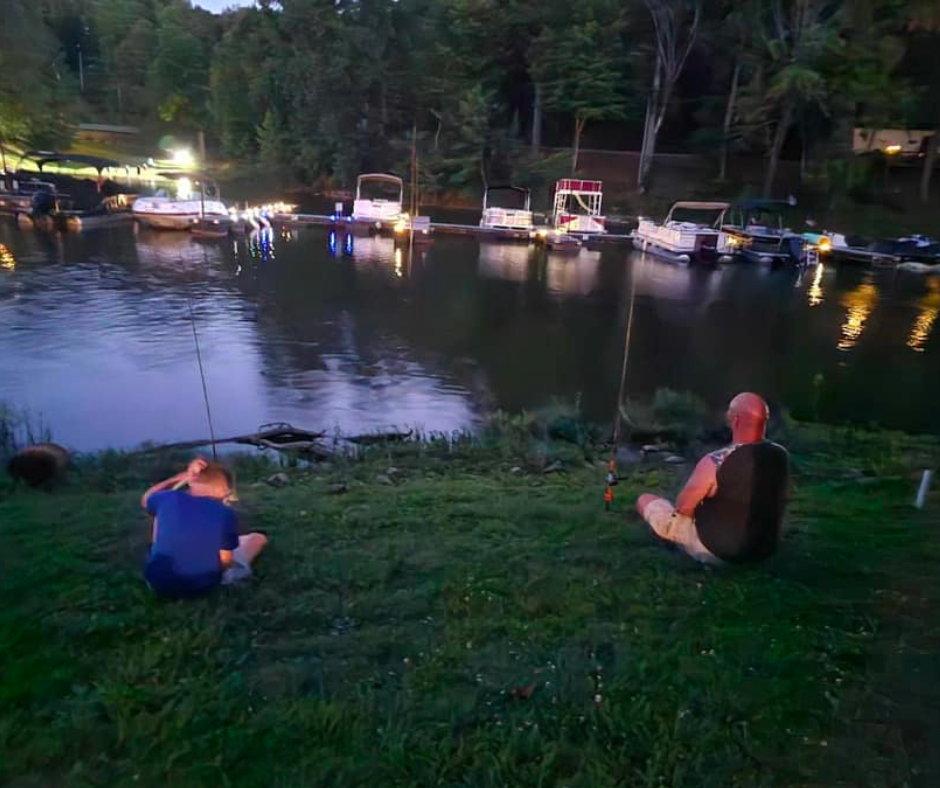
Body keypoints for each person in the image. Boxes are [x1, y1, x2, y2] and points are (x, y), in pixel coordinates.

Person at [635, 392, 789, 565]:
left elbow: (683, 508)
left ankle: (674, 545)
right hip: (763, 552)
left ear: (735, 421)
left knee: (645, 500)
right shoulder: (781, 455)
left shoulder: (715, 461)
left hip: (717, 552)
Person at [141, 458, 268, 598]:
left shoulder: (168, 498)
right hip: (202, 586)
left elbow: (147, 498)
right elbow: (225, 562)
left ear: (190, 481)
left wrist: (179, 477)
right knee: (257, 539)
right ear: (224, 490)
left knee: (159, 513)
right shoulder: (224, 513)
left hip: (157, 583)